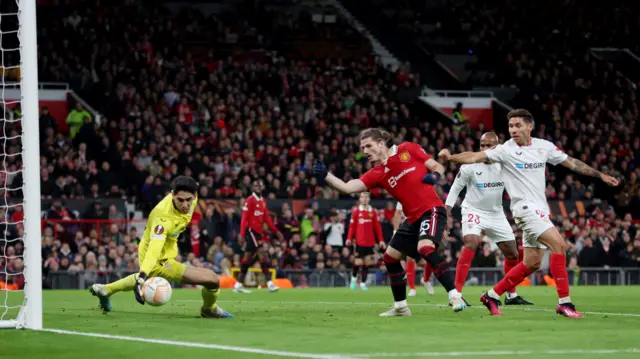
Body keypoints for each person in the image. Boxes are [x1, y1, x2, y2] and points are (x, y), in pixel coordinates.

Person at [438, 109, 619, 318]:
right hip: (524, 210)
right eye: (510, 126)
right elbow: (474, 156)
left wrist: (600, 175)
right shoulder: (505, 150)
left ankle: (492, 295)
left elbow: (572, 163)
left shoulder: (544, 147)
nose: (513, 130)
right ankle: (565, 303)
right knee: (559, 245)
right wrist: (450, 157)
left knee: (531, 262)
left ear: (529, 126)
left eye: (517, 125)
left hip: (540, 209)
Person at [312, 128, 466, 316]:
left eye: (368, 146)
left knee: (425, 248)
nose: (365, 151)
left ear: (381, 144)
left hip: (432, 210)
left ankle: (454, 295)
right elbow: (347, 187)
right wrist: (327, 175)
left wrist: (435, 176)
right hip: (412, 219)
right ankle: (401, 307)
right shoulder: (377, 173)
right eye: (362, 148)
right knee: (390, 257)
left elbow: (437, 167)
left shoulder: (407, 149)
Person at [90, 176, 233, 318]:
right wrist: (143, 274)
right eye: (180, 200)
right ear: (172, 195)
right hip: (155, 256)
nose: (185, 205)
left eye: (188, 200)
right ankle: (209, 309)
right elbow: (154, 249)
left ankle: (105, 289)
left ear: (195, 196)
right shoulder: (162, 218)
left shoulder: (192, 199)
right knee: (212, 280)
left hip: (167, 253)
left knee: (210, 280)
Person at [445, 132, 532, 305]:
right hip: (473, 210)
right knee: (471, 242)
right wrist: (446, 213)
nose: (485, 149)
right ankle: (456, 294)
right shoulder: (469, 165)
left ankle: (511, 296)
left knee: (512, 253)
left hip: (496, 213)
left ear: (497, 148)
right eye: (482, 145)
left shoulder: (504, 164)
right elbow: (455, 189)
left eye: (489, 146)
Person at [234, 179, 285, 294]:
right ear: (252, 188)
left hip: (258, 233)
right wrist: (242, 234)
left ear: (262, 188)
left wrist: (276, 231)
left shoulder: (262, 201)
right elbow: (244, 218)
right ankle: (270, 284)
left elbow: (266, 218)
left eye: (260, 185)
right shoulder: (249, 201)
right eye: (255, 185)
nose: (258, 186)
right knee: (263, 254)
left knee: (247, 258)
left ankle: (238, 285)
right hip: (252, 232)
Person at [393, 202, 434, 297]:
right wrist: (395, 231)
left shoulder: (423, 193)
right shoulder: (402, 196)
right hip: (410, 228)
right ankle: (412, 288)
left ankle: (426, 280)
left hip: (424, 227)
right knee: (410, 257)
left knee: (429, 258)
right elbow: (398, 213)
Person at [346, 192, 385, 291]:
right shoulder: (356, 212)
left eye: (366, 197)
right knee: (358, 263)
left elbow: (378, 228)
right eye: (362, 197)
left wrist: (381, 240)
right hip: (359, 242)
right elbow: (352, 227)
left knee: (367, 264)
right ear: (360, 199)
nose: (364, 199)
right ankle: (353, 280)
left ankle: (363, 283)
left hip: (370, 243)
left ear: (369, 199)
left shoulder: (373, 212)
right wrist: (349, 238)